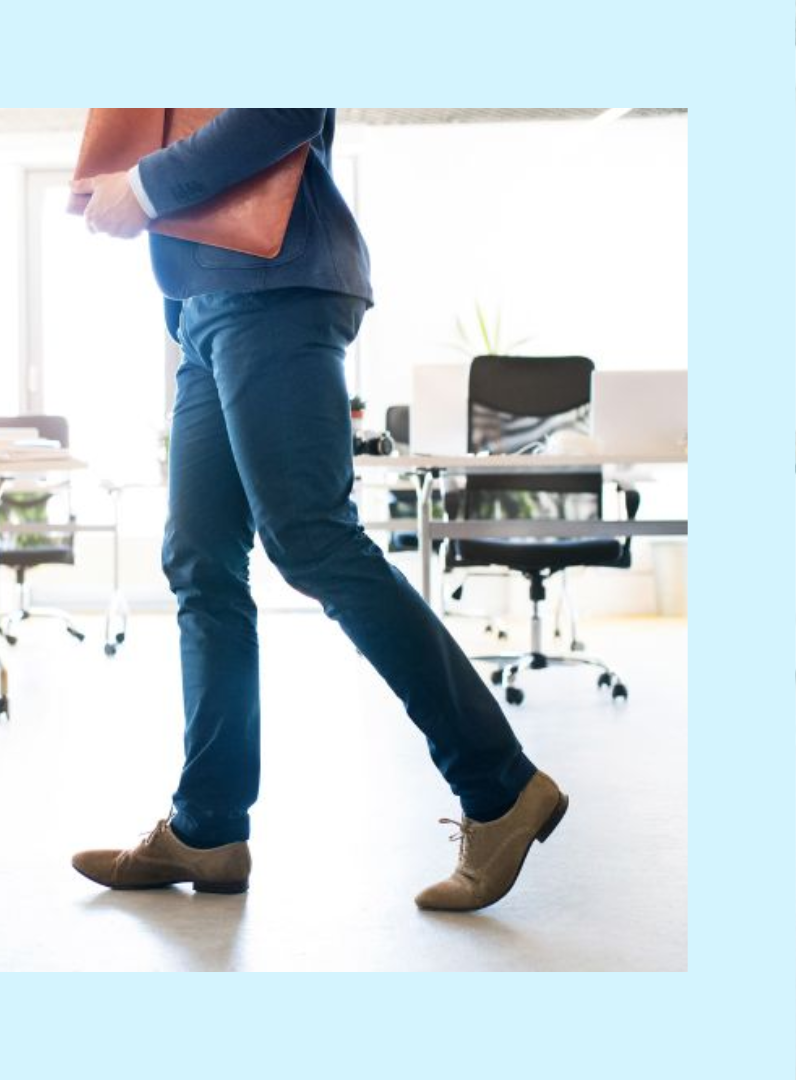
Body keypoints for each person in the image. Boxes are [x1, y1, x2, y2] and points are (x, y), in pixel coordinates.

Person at [69, 108, 567, 911]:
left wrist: (145, 186)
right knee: (200, 562)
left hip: (274, 289)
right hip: (203, 307)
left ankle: (500, 786)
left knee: (311, 541)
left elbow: (285, 105)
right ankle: (209, 828)